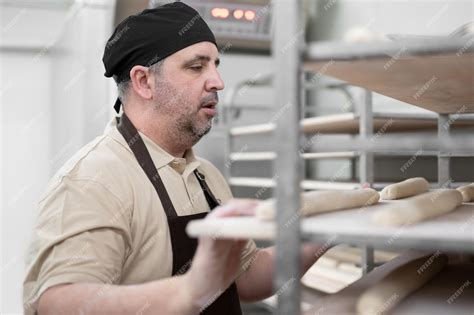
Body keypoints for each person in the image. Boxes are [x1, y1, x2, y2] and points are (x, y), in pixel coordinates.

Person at [23, 2, 326, 314]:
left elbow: (245, 277)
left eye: (216, 65)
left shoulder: (205, 175)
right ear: (143, 81)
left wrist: (328, 233)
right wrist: (192, 290)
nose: (218, 81)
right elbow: (57, 302)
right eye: (196, 67)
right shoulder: (94, 179)